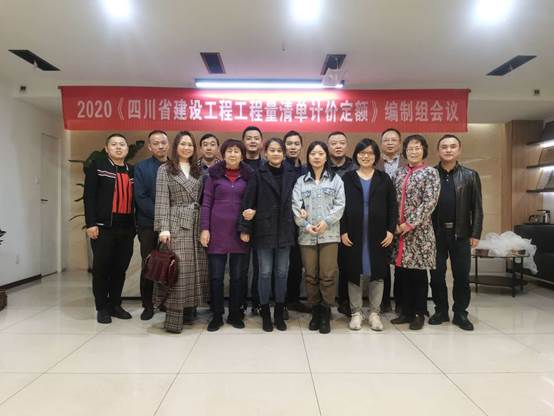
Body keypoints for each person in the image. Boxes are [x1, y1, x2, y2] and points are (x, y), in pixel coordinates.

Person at [239, 138, 297, 331]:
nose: (276, 153)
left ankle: (279, 311)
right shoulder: (258, 174)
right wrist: (245, 228)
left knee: (282, 273)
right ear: (265, 153)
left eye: (279, 150)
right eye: (272, 150)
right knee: (264, 273)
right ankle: (265, 312)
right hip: (263, 230)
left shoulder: (292, 173)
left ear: (284, 153)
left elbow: (299, 200)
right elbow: (248, 203)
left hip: (285, 230)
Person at [154, 131, 209, 334]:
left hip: (197, 223)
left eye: (190, 145)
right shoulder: (165, 169)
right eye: (183, 144)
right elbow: (162, 199)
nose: (186, 148)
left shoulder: (199, 170)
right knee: (177, 271)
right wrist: (164, 228)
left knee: (194, 270)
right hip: (176, 223)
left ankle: (190, 312)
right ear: (175, 146)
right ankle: (173, 319)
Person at [340, 138, 397, 331]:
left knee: (378, 272)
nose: (366, 156)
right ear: (356, 155)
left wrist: (390, 230)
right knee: (354, 272)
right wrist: (343, 230)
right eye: (362, 153)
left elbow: (392, 206)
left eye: (370, 153)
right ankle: (356, 312)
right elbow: (340, 206)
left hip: (378, 234)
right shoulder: (347, 178)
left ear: (376, 156)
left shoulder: (384, 178)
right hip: (353, 233)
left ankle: (374, 313)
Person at [429, 134, 483, 331]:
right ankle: (441, 311)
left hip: (461, 234)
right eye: (444, 146)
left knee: (461, 276)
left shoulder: (470, 175)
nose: (448, 150)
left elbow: (477, 208)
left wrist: (475, 233)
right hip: (435, 234)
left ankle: (460, 313)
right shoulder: (430, 174)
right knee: (436, 276)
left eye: (452, 146)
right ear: (438, 151)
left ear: (459, 150)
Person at [292, 141, 345, 334]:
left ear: (325, 157)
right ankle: (315, 310)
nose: (316, 157)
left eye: (320, 153)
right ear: (308, 157)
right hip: (307, 236)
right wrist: (306, 225)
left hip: (329, 234)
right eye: (313, 153)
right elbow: (295, 206)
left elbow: (340, 205)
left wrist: (326, 222)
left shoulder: (336, 180)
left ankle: (325, 312)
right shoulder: (301, 181)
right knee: (310, 275)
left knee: (328, 275)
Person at [200, 139, 253, 331]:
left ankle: (235, 314)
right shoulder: (213, 176)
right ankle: (217, 315)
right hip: (216, 232)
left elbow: (253, 204)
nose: (233, 154)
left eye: (237, 151)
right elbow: (206, 203)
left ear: (242, 155)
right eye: (229, 151)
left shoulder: (249, 176)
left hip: (240, 233)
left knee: (238, 277)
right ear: (223, 154)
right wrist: (205, 229)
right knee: (216, 277)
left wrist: (247, 228)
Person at [84, 133, 136, 324]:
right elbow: (89, 196)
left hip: (127, 227)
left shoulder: (132, 170)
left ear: (127, 149)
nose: (118, 147)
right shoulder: (98, 167)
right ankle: (101, 307)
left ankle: (115, 304)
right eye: (114, 144)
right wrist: (91, 223)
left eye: (122, 144)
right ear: (106, 149)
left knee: (120, 268)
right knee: (101, 269)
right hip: (103, 227)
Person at [391, 135, 440, 330]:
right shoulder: (399, 173)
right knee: (402, 273)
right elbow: (391, 200)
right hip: (399, 232)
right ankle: (405, 312)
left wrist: (409, 224)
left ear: (424, 150)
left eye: (417, 148)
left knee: (418, 274)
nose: (413, 151)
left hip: (419, 232)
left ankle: (419, 313)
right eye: (410, 148)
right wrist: (395, 224)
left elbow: (429, 202)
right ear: (404, 151)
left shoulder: (430, 173)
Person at [134, 130, 169, 320]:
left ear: (168, 144)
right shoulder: (141, 167)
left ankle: (165, 301)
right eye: (156, 143)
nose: (160, 146)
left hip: (171, 225)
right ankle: (148, 304)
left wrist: (167, 220)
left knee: (168, 263)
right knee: (149, 263)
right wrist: (161, 217)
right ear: (150, 147)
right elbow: (140, 197)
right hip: (148, 224)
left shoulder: (175, 166)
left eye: (163, 142)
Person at [376, 128, 408, 313]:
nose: (389, 142)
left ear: (400, 143)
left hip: (404, 222)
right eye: (386, 140)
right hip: (381, 220)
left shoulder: (408, 163)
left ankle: (401, 301)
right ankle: (384, 301)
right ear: (381, 143)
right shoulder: (374, 162)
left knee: (401, 262)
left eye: (393, 140)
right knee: (383, 262)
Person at [327, 131, 357, 317]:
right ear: (328, 146)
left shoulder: (355, 167)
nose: (338, 146)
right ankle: (325, 303)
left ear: (347, 145)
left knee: (347, 265)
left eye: (341, 143)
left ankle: (346, 302)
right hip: (325, 224)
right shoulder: (321, 166)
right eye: (334, 143)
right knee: (327, 267)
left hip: (349, 223)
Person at [283, 131, 311, 315]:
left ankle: (293, 299)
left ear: (301, 146)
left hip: (302, 224)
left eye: (296, 143)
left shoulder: (306, 169)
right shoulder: (279, 167)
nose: (293, 147)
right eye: (289, 143)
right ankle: (281, 302)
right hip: (283, 223)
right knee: (281, 265)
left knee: (296, 264)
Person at [240, 126, 265, 315]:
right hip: (240, 223)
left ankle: (258, 302)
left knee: (260, 267)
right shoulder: (236, 165)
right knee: (241, 266)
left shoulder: (266, 165)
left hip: (262, 224)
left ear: (261, 142)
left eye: (256, 138)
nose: (253, 141)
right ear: (244, 142)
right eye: (249, 138)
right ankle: (240, 302)